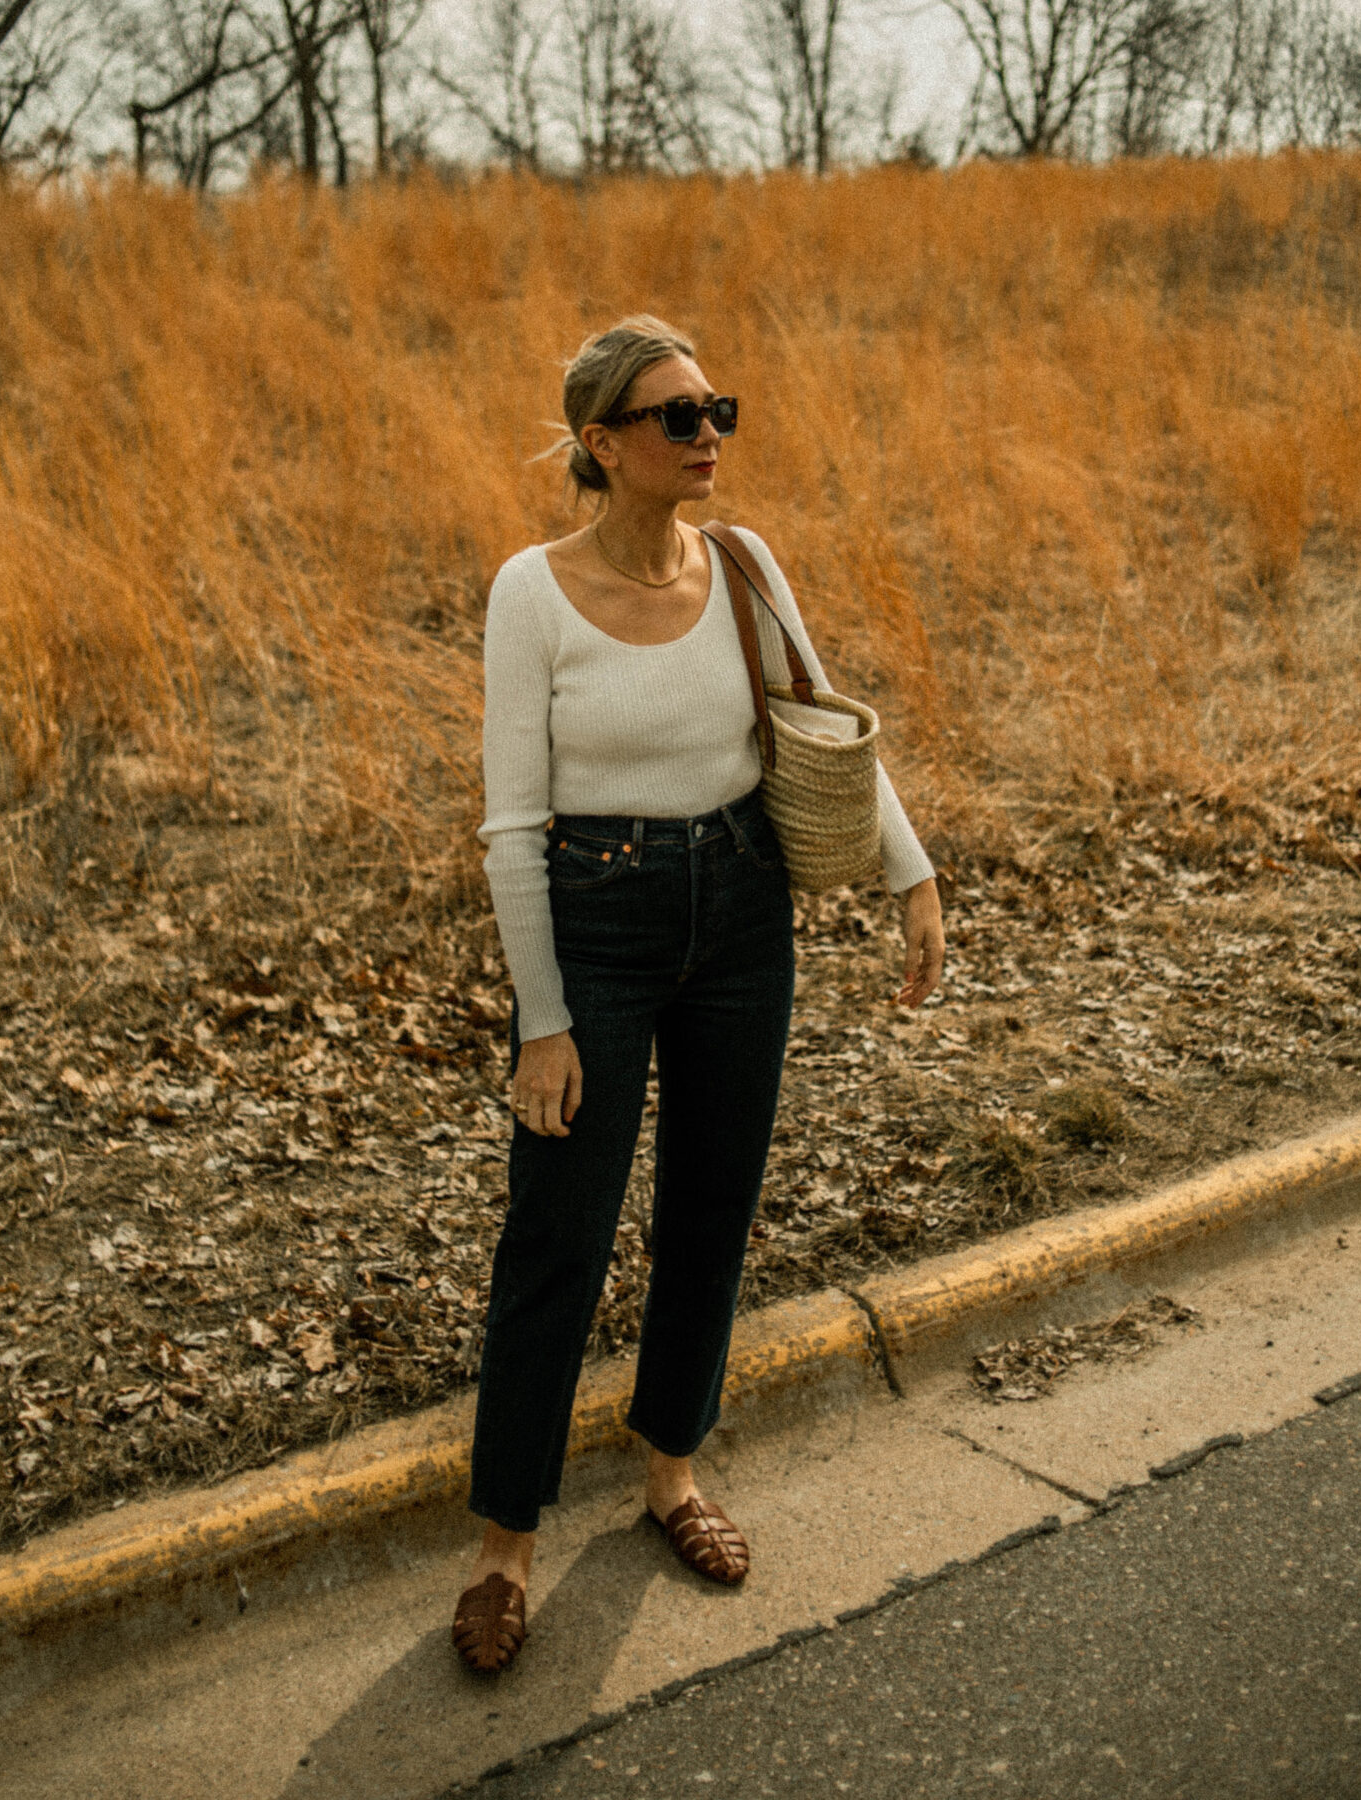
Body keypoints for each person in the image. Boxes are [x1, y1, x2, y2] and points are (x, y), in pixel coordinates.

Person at [452, 316, 945, 1675]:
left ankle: (671, 1470)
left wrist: (914, 878)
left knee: (712, 1203)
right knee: (559, 1229)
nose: (709, 431)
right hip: (595, 923)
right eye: (677, 416)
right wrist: (542, 1018)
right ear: (602, 446)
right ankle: (504, 1545)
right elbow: (510, 828)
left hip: (740, 909)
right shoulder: (529, 593)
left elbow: (822, 720)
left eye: (716, 406)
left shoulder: (743, 562)